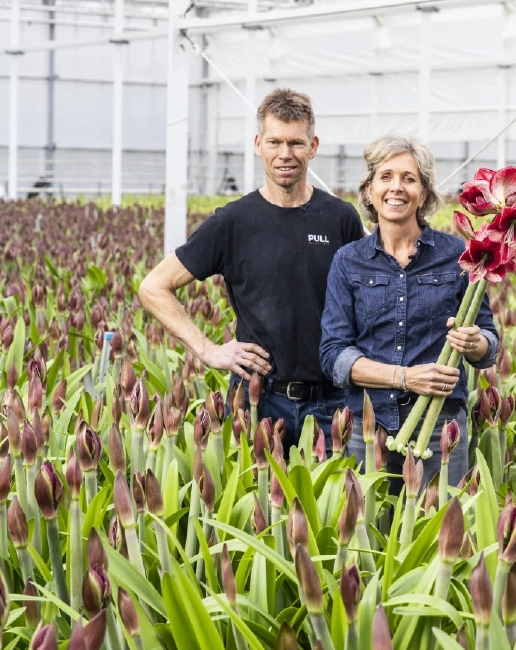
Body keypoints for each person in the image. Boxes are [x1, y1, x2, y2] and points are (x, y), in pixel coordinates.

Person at [140, 88, 365, 450]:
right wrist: (209, 350)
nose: (285, 154)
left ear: (314, 145)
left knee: (332, 506)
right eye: (275, 142)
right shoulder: (233, 221)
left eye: (296, 142)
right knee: (260, 500)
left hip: (332, 401)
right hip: (259, 399)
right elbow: (154, 286)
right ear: (258, 143)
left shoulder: (341, 219)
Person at [320, 135, 499, 493]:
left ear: (425, 193)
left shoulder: (460, 255)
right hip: (366, 427)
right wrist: (404, 377)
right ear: (369, 191)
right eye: (385, 177)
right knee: (365, 534)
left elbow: (489, 346)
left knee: (437, 536)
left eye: (409, 178)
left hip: (439, 425)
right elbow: (333, 356)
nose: (396, 188)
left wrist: (475, 343)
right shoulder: (348, 260)